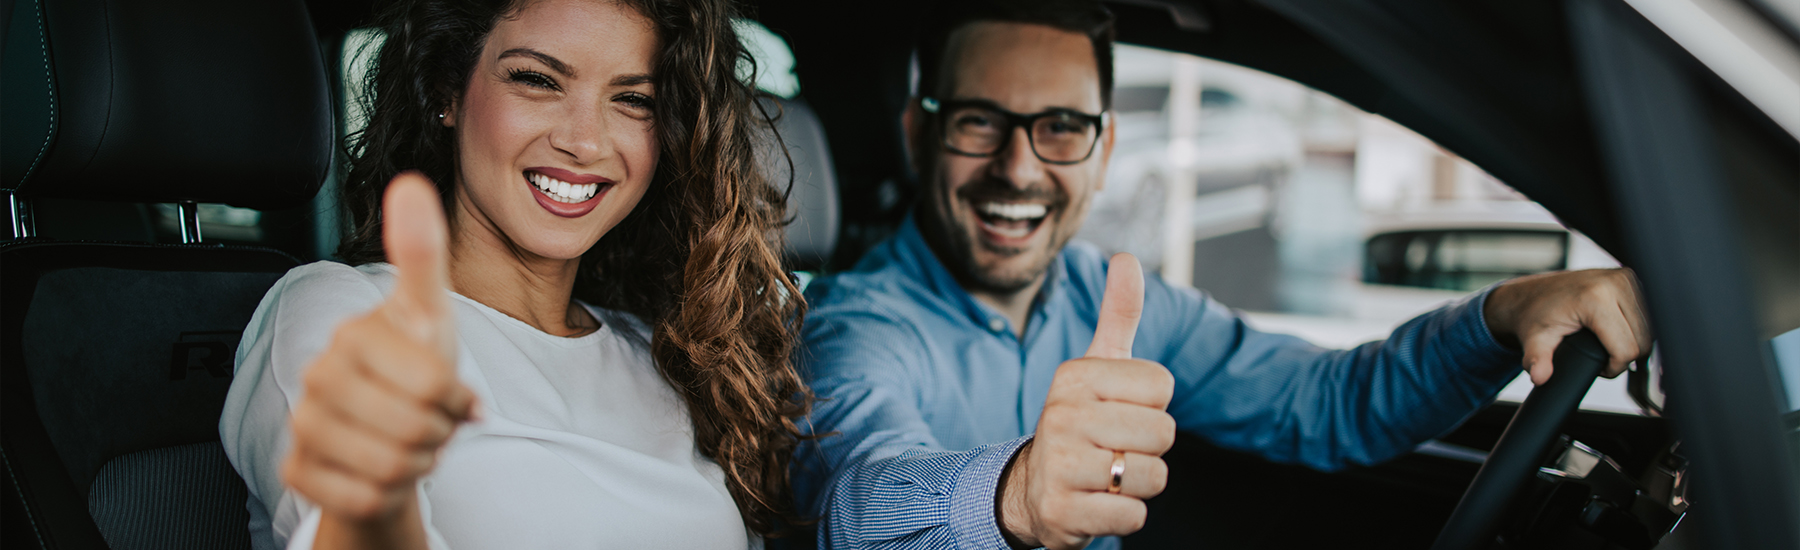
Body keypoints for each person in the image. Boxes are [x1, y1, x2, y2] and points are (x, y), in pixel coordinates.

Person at [792, 1, 1653, 549]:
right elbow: (855, 501)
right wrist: (1014, 496)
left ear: (1104, 149)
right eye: (980, 122)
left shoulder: (1112, 296)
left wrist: (1501, 314)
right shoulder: (852, 328)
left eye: (1060, 126)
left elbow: (1327, 405)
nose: (1018, 168)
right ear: (919, 132)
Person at [219, 0, 811, 548]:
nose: (585, 141)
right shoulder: (341, 317)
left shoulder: (666, 353)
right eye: (537, 80)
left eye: (635, 100)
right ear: (447, 90)